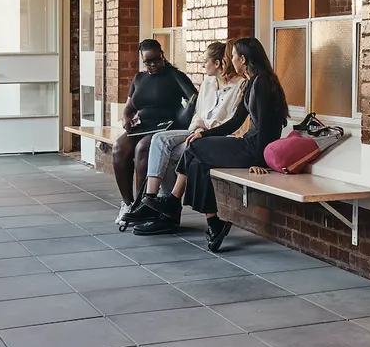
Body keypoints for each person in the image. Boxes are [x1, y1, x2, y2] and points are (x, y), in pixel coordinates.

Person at [173, 37, 288, 251]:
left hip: (254, 149)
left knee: (195, 150)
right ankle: (214, 223)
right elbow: (235, 121)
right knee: (198, 159)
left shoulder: (262, 83)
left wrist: (262, 159)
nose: (231, 60)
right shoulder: (253, 82)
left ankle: (173, 201)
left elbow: (266, 127)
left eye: (233, 56)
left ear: (243, 59)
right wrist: (204, 135)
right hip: (249, 144)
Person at [122, 41, 246, 234]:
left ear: (219, 63)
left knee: (176, 152)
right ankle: (150, 199)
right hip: (196, 131)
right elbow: (198, 112)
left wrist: (204, 131)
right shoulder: (208, 83)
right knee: (159, 140)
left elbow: (232, 121)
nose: (203, 64)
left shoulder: (240, 85)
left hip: (218, 137)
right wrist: (196, 126)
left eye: (206, 60)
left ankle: (168, 213)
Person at [112, 39, 196, 224]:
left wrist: (182, 119)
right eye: (147, 62)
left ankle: (143, 206)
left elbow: (194, 99)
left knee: (142, 148)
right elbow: (129, 107)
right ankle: (128, 203)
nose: (152, 65)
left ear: (162, 55)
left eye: (156, 60)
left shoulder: (175, 76)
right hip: (141, 126)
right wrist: (127, 118)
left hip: (164, 127)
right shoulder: (139, 79)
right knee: (119, 148)